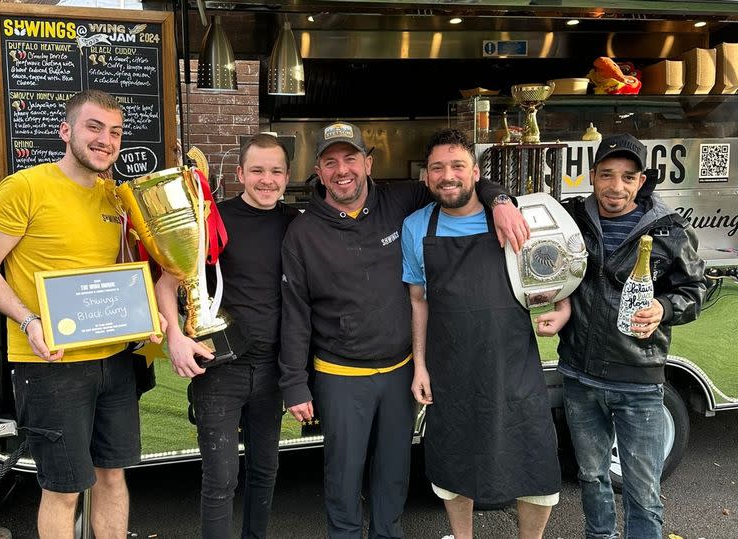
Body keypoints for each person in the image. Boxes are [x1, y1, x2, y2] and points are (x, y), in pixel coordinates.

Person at [279, 121, 529, 539]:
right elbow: (295, 312)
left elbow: (456, 185)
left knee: (394, 473)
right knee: (342, 476)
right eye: (330, 162)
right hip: (340, 377)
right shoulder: (302, 232)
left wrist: (500, 199)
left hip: (400, 371)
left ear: (368, 163)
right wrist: (294, 383)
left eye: (351, 158)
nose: (343, 170)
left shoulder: (401, 201)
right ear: (318, 172)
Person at [0, 89, 165, 538]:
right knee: (64, 489)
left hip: (114, 360)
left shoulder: (117, 198)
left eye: (115, 132)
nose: (106, 140)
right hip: (50, 365)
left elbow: (125, 272)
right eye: (94, 127)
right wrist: (29, 320)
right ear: (66, 131)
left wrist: (148, 312)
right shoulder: (24, 188)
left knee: (114, 476)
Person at [536, 133, 706, 539]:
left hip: (639, 379)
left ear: (641, 181)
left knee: (643, 489)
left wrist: (664, 308)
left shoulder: (669, 230)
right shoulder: (570, 218)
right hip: (580, 373)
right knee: (592, 476)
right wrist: (558, 304)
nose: (616, 187)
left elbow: (695, 290)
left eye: (628, 177)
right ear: (591, 175)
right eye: (607, 175)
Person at [401, 128, 561, 539]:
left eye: (457, 166)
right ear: (426, 177)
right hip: (450, 364)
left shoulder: (512, 216)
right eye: (437, 168)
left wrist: (561, 308)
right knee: (454, 460)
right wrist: (420, 366)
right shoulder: (416, 227)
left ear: (475, 172)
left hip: (514, 361)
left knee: (534, 458)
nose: (447, 175)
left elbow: (551, 274)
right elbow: (418, 300)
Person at [155, 134, 299, 538]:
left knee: (265, 471)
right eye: (257, 170)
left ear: (287, 177)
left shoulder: (297, 224)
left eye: (275, 171)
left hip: (273, 370)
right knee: (221, 480)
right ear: (239, 174)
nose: (266, 180)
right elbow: (165, 285)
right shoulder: (209, 219)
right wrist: (175, 339)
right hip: (220, 370)